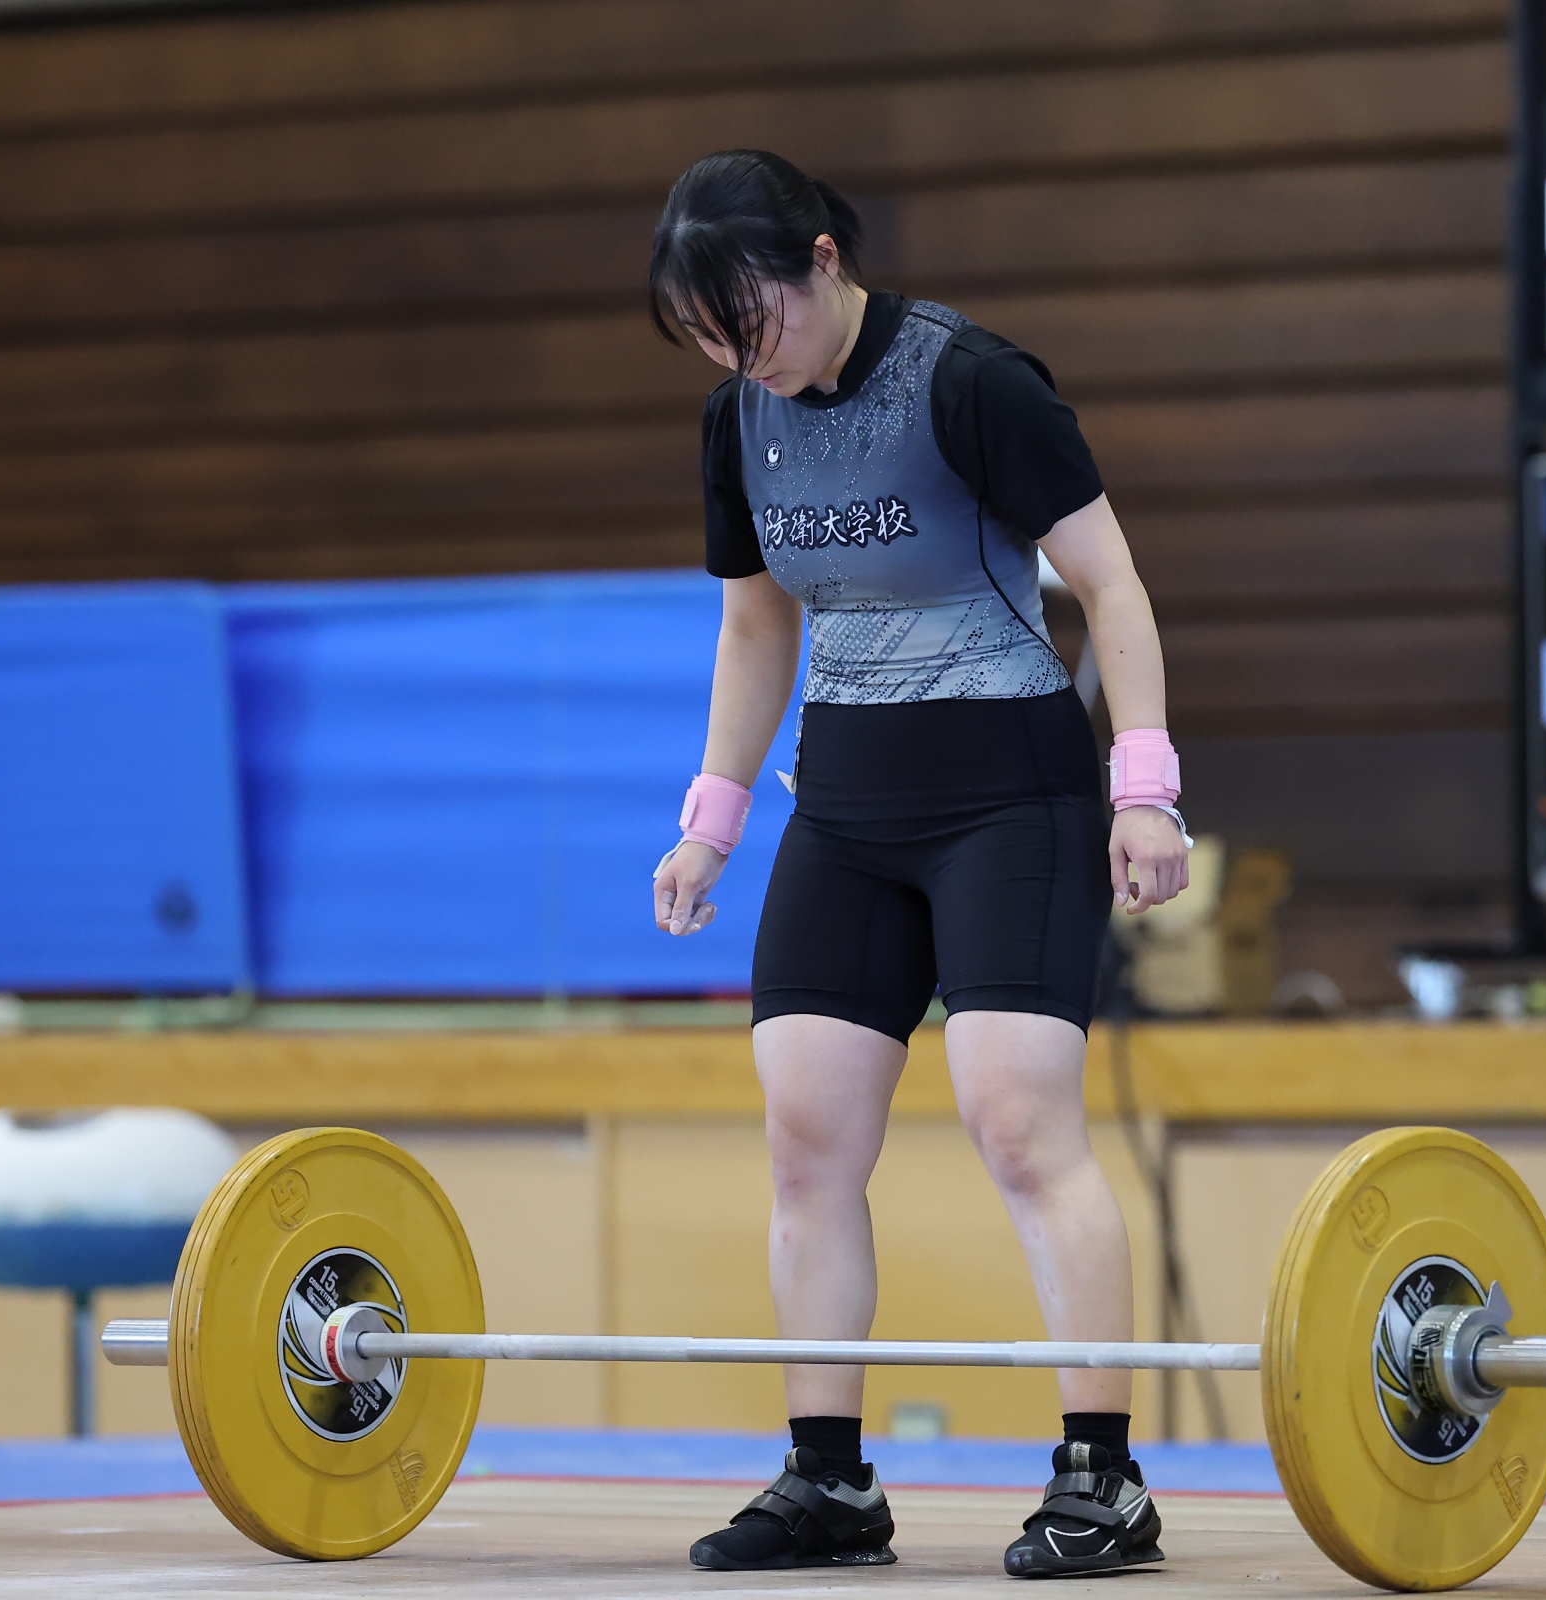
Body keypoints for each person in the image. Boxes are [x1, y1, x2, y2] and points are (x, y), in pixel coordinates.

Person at [647, 149, 1192, 1578]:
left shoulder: (973, 381)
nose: (740, 359)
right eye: (706, 338)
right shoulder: (738, 420)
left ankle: (1104, 1477)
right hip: (846, 810)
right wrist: (711, 821)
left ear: (825, 260)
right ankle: (829, 1483)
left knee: (1019, 1123)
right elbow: (757, 627)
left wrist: (1145, 792)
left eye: (752, 320)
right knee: (806, 1133)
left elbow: (1114, 585)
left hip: (1010, 798)